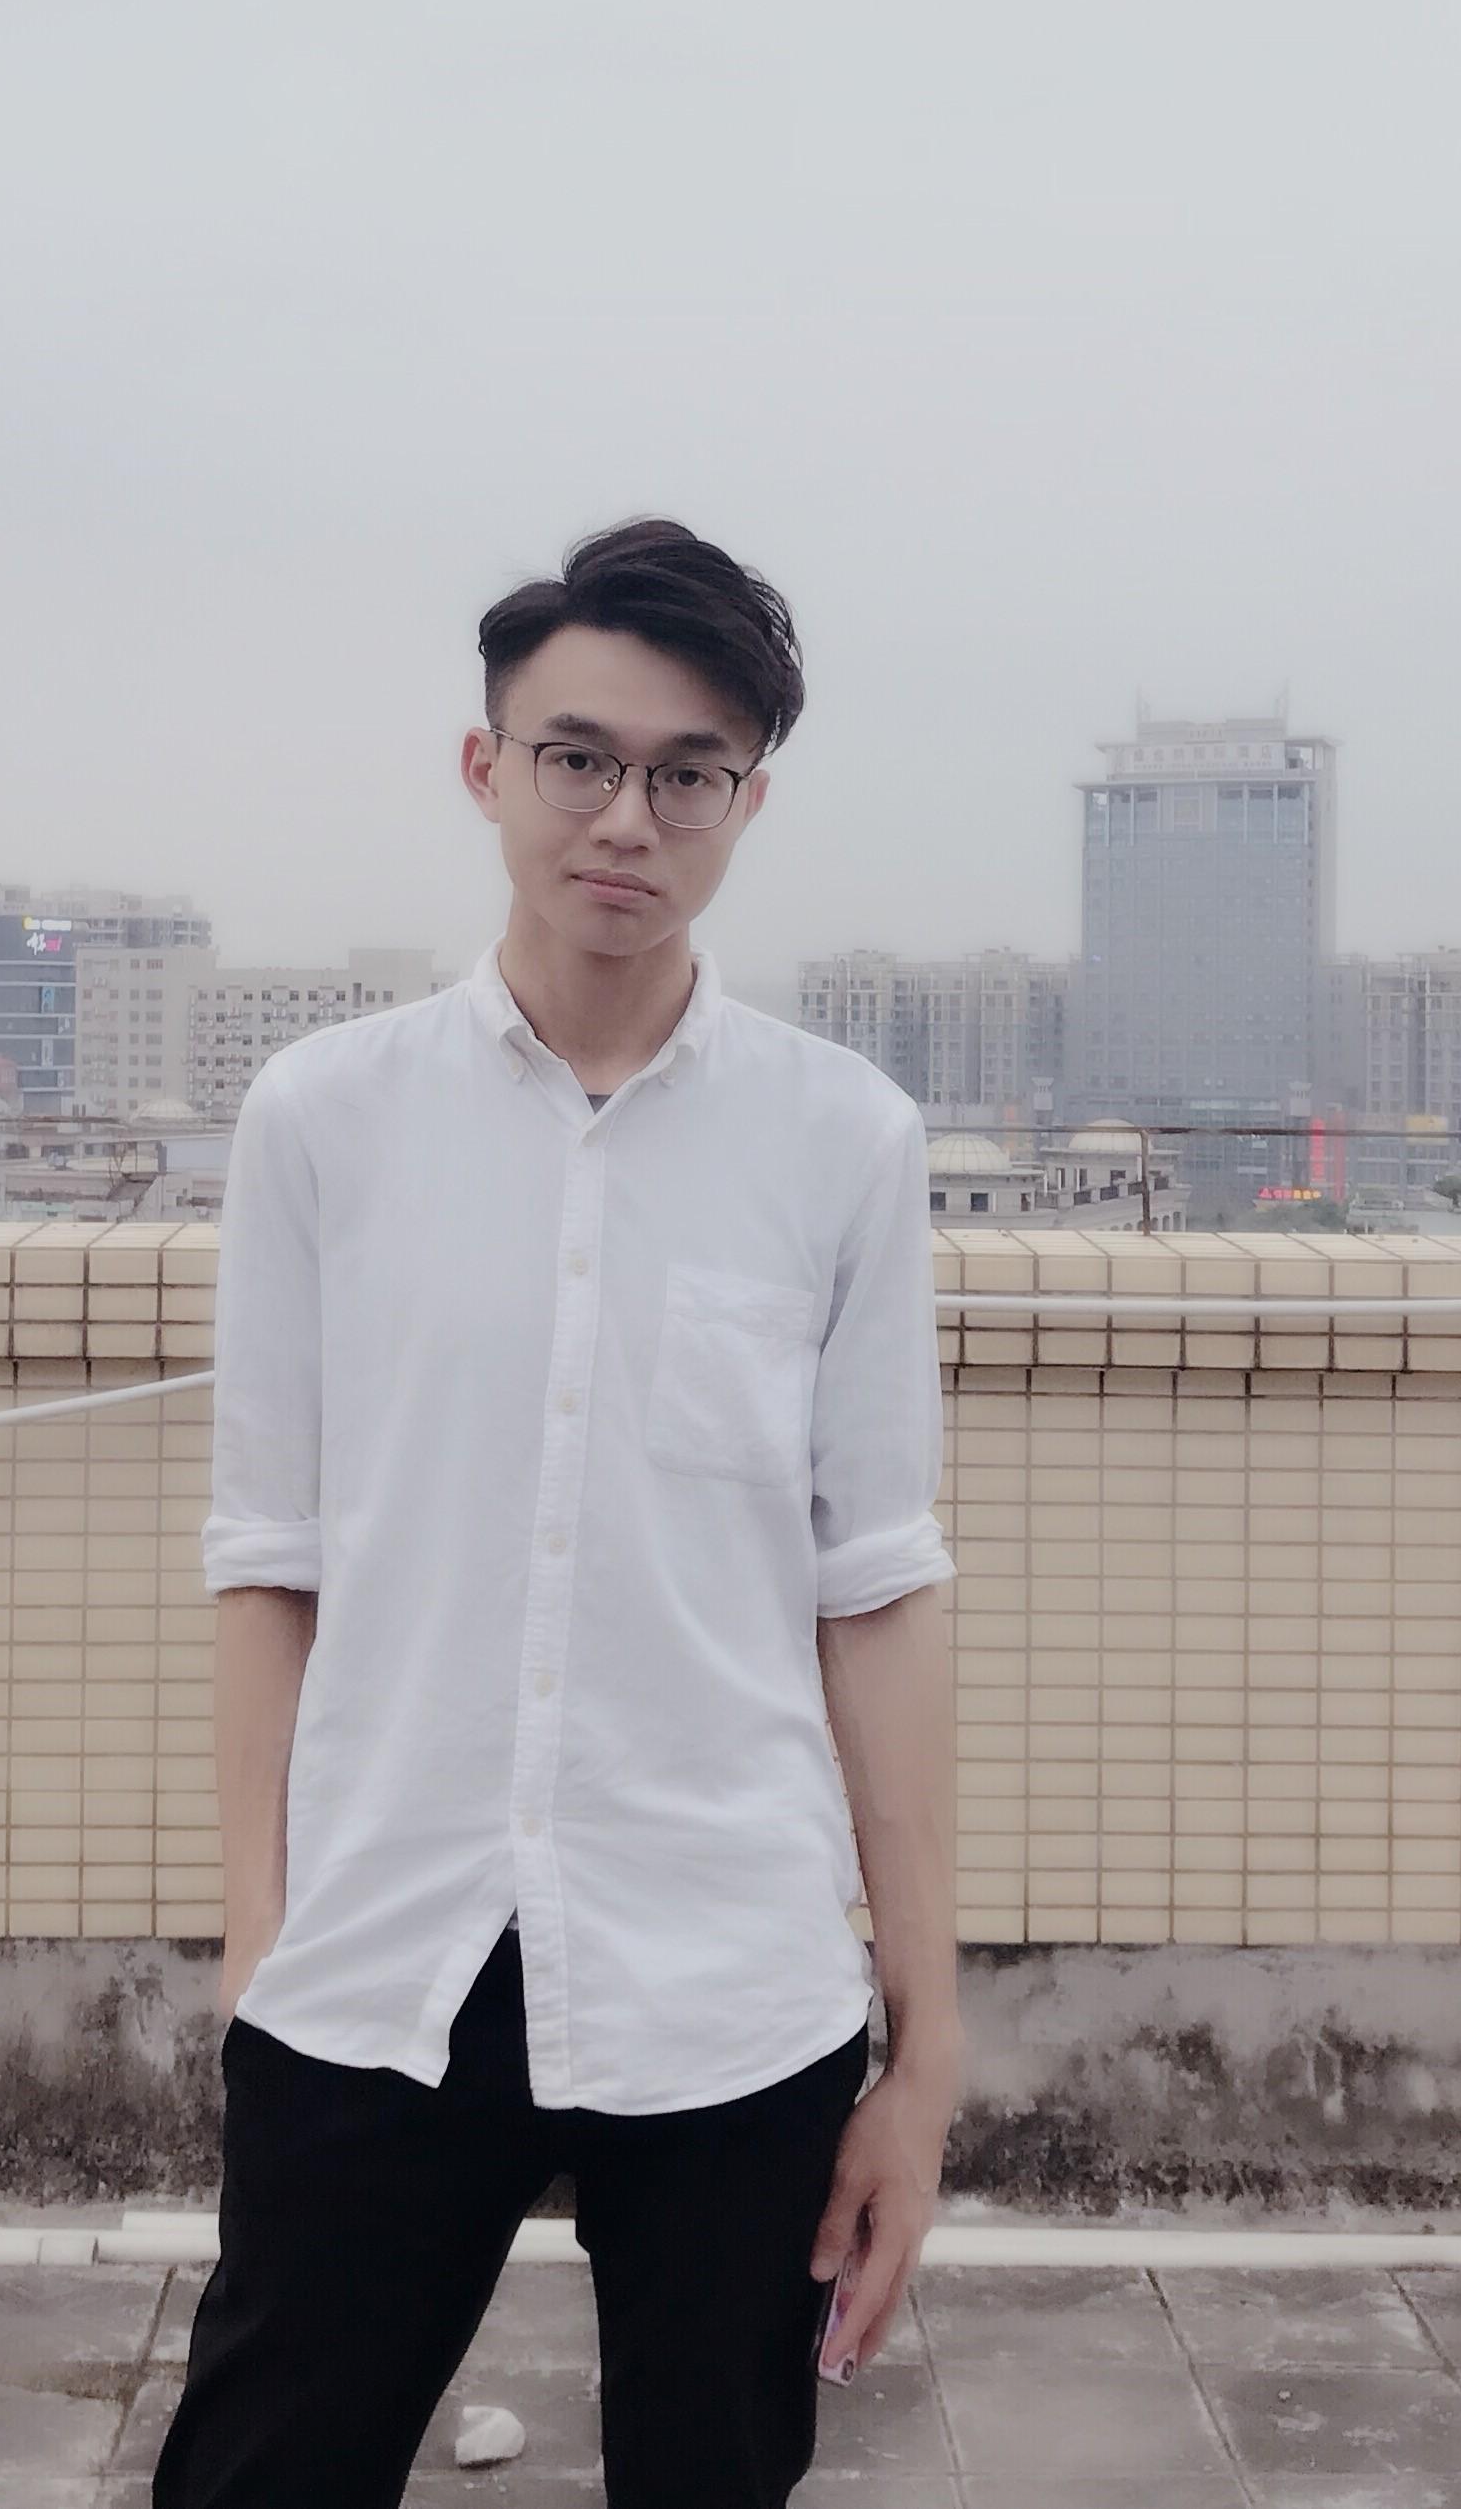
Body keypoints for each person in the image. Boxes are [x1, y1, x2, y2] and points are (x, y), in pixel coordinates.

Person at [161, 516, 963, 2508]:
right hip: (381, 1959)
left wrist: (924, 2054)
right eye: (580, 757)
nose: (627, 817)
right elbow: (270, 1557)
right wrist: (259, 1941)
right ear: (487, 766)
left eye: (689, 774)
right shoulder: (327, 1119)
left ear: (749, 803)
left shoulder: (843, 1142)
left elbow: (876, 1592)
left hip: (731, 1974)